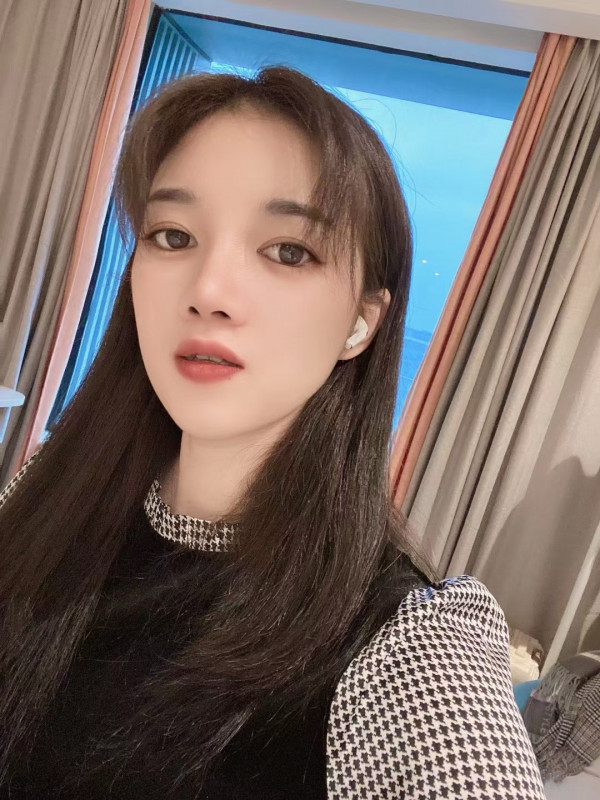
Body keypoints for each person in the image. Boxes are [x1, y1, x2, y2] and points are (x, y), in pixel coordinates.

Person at [0, 66, 546, 799]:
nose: (209, 292)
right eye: (173, 235)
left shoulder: (405, 649)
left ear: (362, 322)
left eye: (289, 251)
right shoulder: (46, 491)